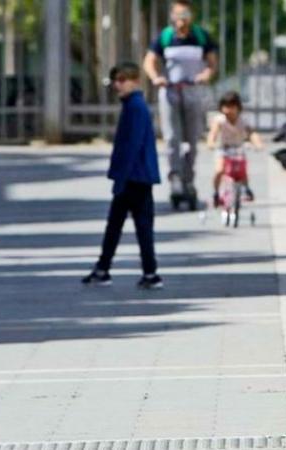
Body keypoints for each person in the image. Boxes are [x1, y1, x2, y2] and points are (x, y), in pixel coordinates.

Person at [81, 63, 163, 290]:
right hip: (136, 175)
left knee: (129, 225)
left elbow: (132, 145)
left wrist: (121, 178)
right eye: (115, 80)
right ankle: (112, 268)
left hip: (134, 177)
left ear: (135, 81)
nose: (118, 85)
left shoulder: (135, 107)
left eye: (122, 80)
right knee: (124, 225)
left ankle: (142, 272)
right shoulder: (133, 105)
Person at [143, 0, 217, 201]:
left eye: (185, 15)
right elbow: (149, 61)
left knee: (192, 139)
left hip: (193, 91)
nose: (181, 20)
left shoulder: (200, 36)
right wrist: (156, 78)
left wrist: (205, 74)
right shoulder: (166, 36)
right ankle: (175, 176)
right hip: (170, 92)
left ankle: (189, 178)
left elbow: (211, 63)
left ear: (190, 16)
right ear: (172, 16)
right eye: (178, 15)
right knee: (172, 138)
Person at [206, 91, 264, 207]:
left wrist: (258, 144)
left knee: (242, 171)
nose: (229, 110)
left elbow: (251, 133)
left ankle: (246, 188)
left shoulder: (243, 120)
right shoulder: (220, 120)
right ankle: (216, 192)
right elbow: (213, 133)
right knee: (220, 170)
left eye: (232, 107)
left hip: (238, 149)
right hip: (223, 149)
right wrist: (211, 143)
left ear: (238, 107)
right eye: (226, 106)